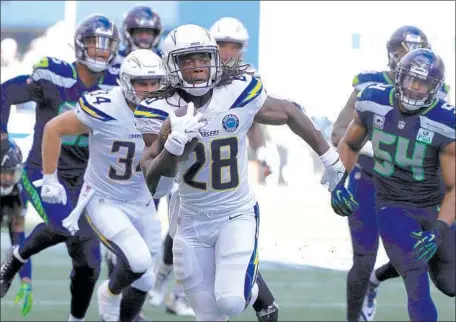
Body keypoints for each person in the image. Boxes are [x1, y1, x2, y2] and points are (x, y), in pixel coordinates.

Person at [138, 24, 354, 321]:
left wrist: (330, 159)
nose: (198, 67)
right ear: (172, 66)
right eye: (187, 61)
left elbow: (290, 111)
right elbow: (155, 186)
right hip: (190, 220)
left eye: (202, 58)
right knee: (209, 315)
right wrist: (172, 145)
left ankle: (251, 293)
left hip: (234, 213)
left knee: (230, 301)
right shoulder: (157, 108)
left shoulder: (238, 90)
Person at [0, 14, 120, 322]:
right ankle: (14, 261)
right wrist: (3, 138)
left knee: (90, 263)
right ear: (80, 46)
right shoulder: (54, 76)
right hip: (43, 171)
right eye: (94, 43)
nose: (100, 51)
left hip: (86, 180)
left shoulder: (116, 86)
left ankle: (75, 320)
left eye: (106, 45)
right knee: (64, 223)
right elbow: (4, 93)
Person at [331, 25, 449, 321]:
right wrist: (338, 180)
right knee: (369, 261)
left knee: (445, 278)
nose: (414, 86)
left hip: (422, 191)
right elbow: (341, 136)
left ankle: (382, 278)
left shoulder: (441, 104)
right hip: (376, 184)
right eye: (401, 51)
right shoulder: (369, 90)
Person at [41, 48, 165, 322]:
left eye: (154, 82)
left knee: (146, 280)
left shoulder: (168, 108)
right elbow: (54, 128)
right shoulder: (104, 105)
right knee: (139, 260)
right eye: (141, 82)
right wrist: (49, 177)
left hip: (142, 201)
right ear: (125, 81)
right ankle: (108, 294)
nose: (148, 89)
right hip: (104, 199)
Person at [0, 139, 32, 316]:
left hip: (9, 205)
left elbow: (19, 241)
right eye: (2, 172)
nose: (7, 178)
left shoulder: (19, 191)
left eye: (11, 172)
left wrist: (27, 280)